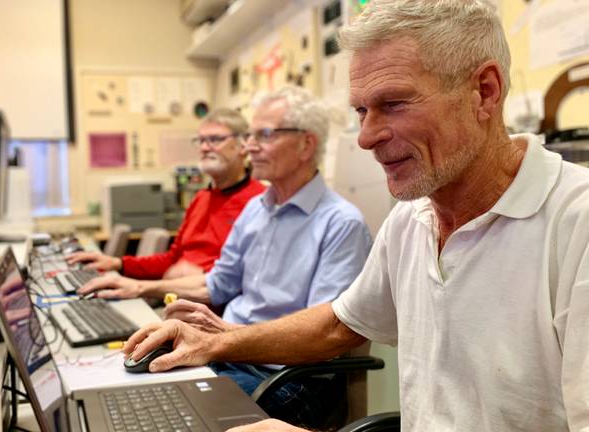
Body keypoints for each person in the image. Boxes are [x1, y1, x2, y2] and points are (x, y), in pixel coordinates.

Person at [121, 1, 589, 431]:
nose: (365, 137)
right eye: (362, 110)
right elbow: (339, 324)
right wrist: (218, 340)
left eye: (393, 104)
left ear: (485, 92)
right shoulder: (412, 220)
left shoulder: (576, 224)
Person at [80, 86, 372, 425]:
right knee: (127, 388)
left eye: (264, 135)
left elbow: (323, 337)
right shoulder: (255, 209)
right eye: (249, 135)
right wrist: (141, 288)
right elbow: (218, 284)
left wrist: (225, 338)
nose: (249, 146)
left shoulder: (340, 223)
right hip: (230, 353)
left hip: (287, 378)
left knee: (162, 406)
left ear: (306, 144)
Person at [68, 108, 265, 280]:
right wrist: (118, 263)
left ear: (243, 145)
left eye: (215, 139)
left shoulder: (261, 202)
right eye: (201, 140)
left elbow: (256, 275)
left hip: (217, 313)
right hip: (179, 300)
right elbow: (171, 259)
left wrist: (204, 275)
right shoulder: (201, 199)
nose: (204, 148)